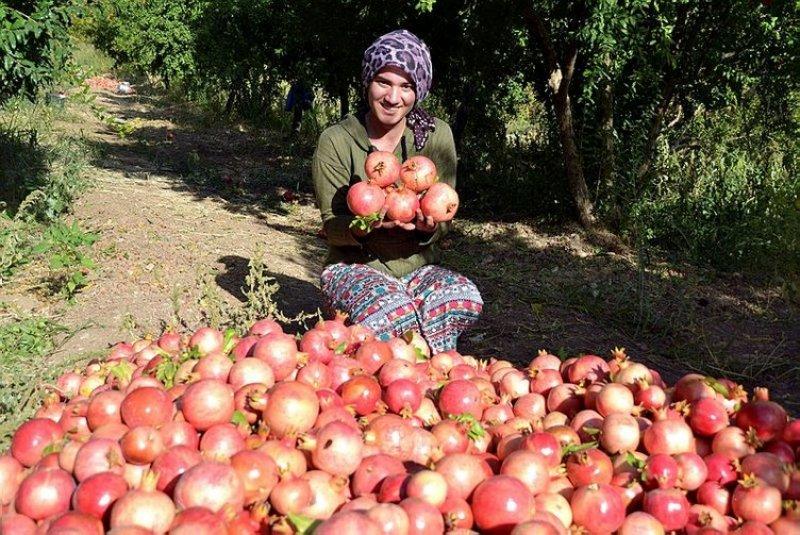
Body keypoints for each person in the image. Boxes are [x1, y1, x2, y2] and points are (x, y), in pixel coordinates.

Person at [312, 29, 483, 354]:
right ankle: (407, 358)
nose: (393, 97)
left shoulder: (434, 136)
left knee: (463, 298)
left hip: (418, 269)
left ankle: (436, 365)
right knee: (391, 317)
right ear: (367, 82)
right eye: (384, 82)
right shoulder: (335, 140)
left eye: (406, 86)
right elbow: (331, 227)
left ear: (418, 91)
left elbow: (444, 216)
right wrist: (363, 226)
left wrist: (428, 227)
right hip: (353, 267)